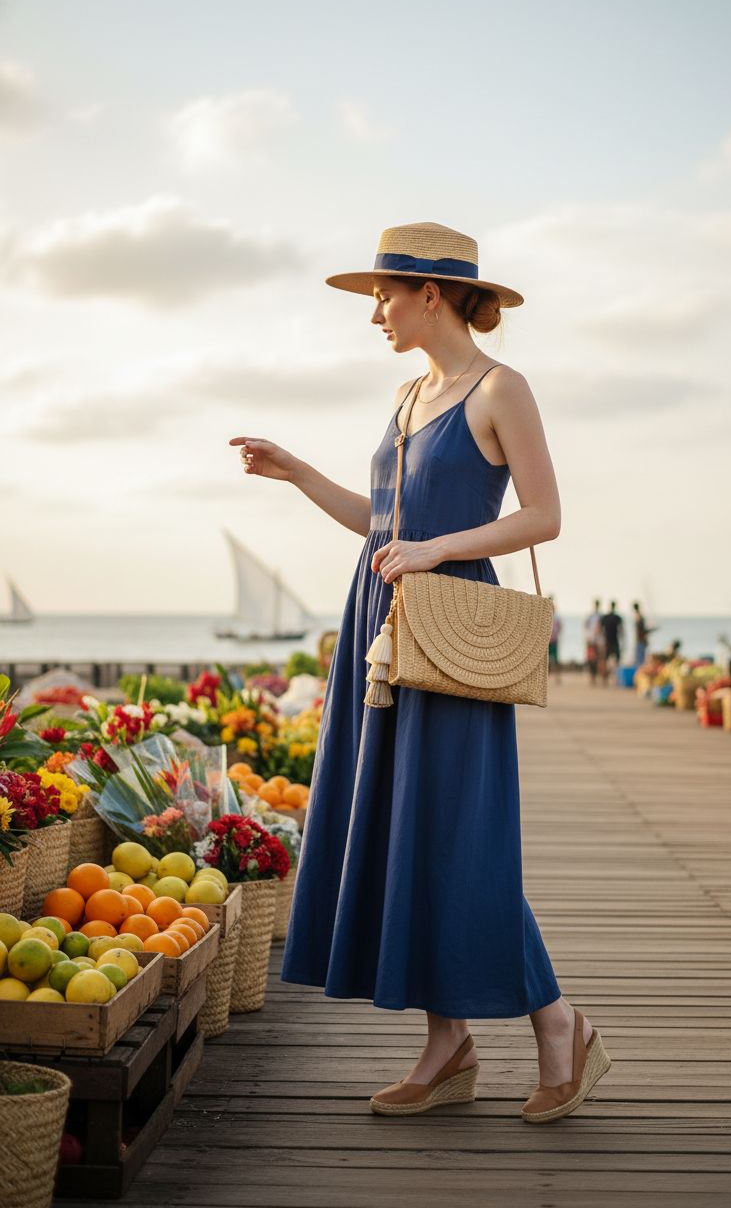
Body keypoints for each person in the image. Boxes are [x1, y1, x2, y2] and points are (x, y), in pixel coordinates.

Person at [230, 221, 611, 1123]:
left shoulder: (499, 389)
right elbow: (380, 523)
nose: (375, 316)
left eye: (384, 297)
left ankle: (562, 1026)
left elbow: (545, 516)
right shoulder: (407, 396)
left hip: (452, 630)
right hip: (381, 628)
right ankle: (447, 1046)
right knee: (405, 833)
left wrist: (436, 548)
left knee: (458, 841)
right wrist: (295, 474)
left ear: (430, 294)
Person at [600, 601, 623, 684]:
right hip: (613, 641)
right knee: (616, 659)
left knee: (606, 660)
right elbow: (621, 630)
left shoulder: (606, 617)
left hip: (607, 641)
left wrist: (600, 640)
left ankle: (606, 677)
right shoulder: (617, 617)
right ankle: (612, 676)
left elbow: (600, 629)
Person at [632, 601, 658, 669]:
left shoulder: (637, 617)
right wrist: (652, 629)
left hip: (640, 641)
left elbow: (641, 631)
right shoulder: (639, 617)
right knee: (640, 661)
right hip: (641, 641)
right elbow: (643, 631)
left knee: (639, 660)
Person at [584, 598, 603, 685]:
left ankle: (595, 676)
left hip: (597, 641)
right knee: (591, 659)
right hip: (592, 640)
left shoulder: (599, 616)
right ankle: (592, 677)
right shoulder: (591, 616)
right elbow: (586, 627)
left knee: (596, 659)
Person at [547, 596, 562, 683]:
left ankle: (557, 676)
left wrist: (556, 635)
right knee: (547, 660)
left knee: (555, 659)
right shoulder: (547, 615)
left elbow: (560, 627)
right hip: (549, 640)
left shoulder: (556, 617)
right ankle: (547, 676)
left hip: (554, 640)